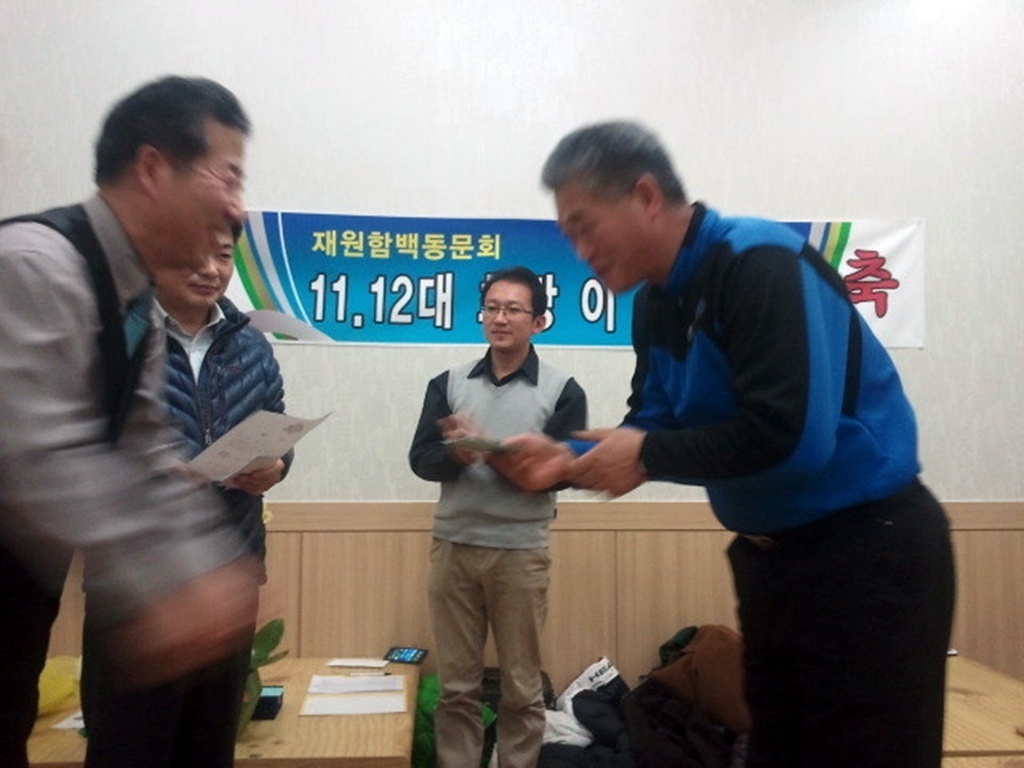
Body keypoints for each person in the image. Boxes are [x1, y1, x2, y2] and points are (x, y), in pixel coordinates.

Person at [503, 121, 955, 768]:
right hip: (771, 564)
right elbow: (651, 424)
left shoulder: (757, 261)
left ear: (646, 196)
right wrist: (564, 463)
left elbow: (792, 438)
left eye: (584, 226)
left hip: (866, 555)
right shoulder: (655, 304)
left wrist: (647, 456)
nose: (580, 251)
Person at [0, 76, 260, 768]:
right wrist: (171, 583)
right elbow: (40, 455)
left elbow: (144, 450)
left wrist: (204, 567)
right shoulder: (34, 265)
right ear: (152, 168)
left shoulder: (135, 300)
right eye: (228, 176)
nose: (237, 208)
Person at [80, 227, 293, 767]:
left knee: (208, 745)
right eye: (194, 253)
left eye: (222, 255)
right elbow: (76, 447)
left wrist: (277, 465)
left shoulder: (252, 344)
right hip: (138, 585)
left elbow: (275, 423)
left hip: (229, 575)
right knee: (129, 747)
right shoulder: (115, 336)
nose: (211, 269)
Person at [408, 266, 587, 768]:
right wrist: (456, 455)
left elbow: (567, 472)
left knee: (522, 689)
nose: (499, 318)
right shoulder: (447, 383)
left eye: (513, 309)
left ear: (539, 321)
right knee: (456, 688)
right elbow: (421, 460)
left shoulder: (563, 390)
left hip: (520, 553)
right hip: (454, 547)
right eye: (491, 308)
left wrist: (509, 460)